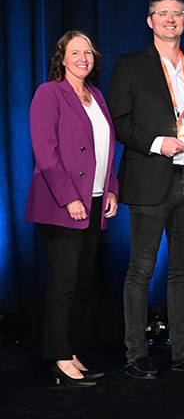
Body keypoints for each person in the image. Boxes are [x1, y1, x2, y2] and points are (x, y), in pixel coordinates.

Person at [108, 0, 184, 379]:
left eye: (177, 14)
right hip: (151, 179)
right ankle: (135, 355)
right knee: (141, 270)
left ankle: (183, 353)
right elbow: (119, 123)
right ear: (150, 21)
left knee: (183, 273)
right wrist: (160, 144)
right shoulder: (130, 65)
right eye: (162, 13)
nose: (170, 19)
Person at [26, 31, 119, 387]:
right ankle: (59, 359)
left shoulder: (96, 96)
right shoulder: (49, 93)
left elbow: (105, 149)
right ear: (62, 58)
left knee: (81, 286)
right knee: (64, 285)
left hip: (95, 204)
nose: (83, 58)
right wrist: (69, 198)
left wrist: (110, 188)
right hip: (60, 204)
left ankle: (71, 351)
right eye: (75, 52)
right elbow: (46, 152)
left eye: (89, 53)